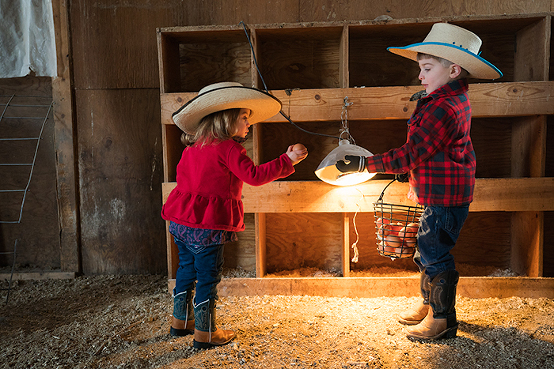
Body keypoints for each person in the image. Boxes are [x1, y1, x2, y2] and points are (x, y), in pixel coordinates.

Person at [336, 23, 502, 340]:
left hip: (446, 196)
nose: (420, 76)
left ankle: (443, 319)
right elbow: (428, 152)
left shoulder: (442, 107)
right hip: (442, 191)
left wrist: (364, 163)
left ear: (453, 70)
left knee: (434, 251)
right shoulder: (443, 98)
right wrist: (411, 175)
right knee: (425, 249)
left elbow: (414, 152)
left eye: (426, 68)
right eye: (421, 68)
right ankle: (429, 304)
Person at [162, 82, 308, 349]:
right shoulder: (229, 149)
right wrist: (287, 160)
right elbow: (254, 176)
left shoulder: (192, 147)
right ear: (226, 119)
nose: (248, 124)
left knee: (185, 269)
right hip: (208, 226)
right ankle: (205, 333)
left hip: (181, 222)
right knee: (207, 276)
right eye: (244, 118)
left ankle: (179, 321)